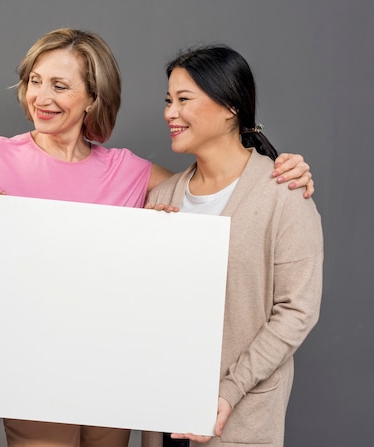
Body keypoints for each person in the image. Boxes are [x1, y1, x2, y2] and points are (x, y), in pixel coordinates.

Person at [0, 29, 315, 447]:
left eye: (60, 86)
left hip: (113, 375)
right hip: (31, 380)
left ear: (93, 98)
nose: (41, 97)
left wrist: (282, 167)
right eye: (35, 81)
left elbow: (207, 189)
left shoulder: (131, 173)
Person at [142, 45, 323, 447]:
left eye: (184, 100)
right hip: (166, 414)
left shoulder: (283, 191)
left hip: (239, 418)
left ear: (230, 106)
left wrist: (229, 389)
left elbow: (297, 310)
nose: (170, 112)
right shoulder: (163, 196)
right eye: (168, 101)